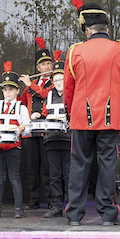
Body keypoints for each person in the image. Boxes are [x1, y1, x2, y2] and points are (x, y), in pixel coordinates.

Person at [64, 0, 120, 227]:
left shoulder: (74, 51)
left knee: (79, 165)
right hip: (111, 117)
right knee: (108, 164)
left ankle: (74, 215)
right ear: (107, 28)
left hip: (81, 117)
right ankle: (108, 214)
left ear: (88, 30)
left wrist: (71, 113)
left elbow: (69, 88)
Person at [0, 61, 31, 219]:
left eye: (11, 89)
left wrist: (23, 129)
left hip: (14, 147)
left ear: (17, 90)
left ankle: (18, 208)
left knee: (15, 178)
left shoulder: (22, 108)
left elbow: (28, 129)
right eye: (5, 89)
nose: (8, 93)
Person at [19, 37, 54, 210]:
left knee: (47, 168)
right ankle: (33, 200)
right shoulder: (31, 85)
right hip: (31, 131)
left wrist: (30, 85)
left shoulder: (55, 82)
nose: (47, 67)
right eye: (43, 64)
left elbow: (46, 94)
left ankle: (51, 200)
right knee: (32, 168)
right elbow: (21, 102)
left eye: (49, 64)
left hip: (47, 129)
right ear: (38, 68)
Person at [40, 53, 70, 218]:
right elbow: (45, 114)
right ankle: (56, 205)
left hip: (68, 139)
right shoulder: (49, 95)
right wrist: (38, 117)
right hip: (51, 139)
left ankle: (71, 205)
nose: (59, 83)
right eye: (56, 80)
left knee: (69, 174)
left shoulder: (72, 94)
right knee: (54, 175)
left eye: (62, 79)